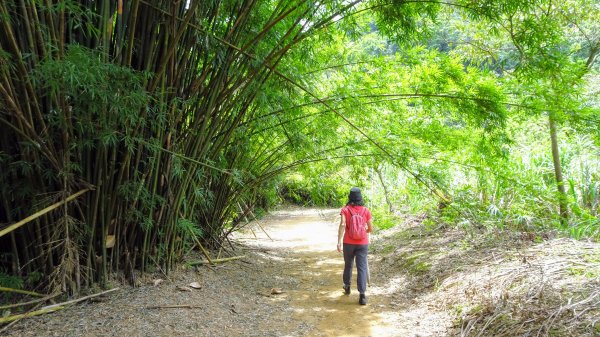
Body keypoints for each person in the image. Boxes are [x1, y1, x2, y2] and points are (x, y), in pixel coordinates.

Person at [336, 187, 373, 305]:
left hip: (348, 242)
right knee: (361, 267)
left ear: (350, 198)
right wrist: (364, 232)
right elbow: (370, 228)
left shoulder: (345, 210)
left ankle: (347, 286)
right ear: (360, 198)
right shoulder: (366, 210)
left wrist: (339, 241)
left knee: (348, 264)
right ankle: (362, 295)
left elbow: (342, 224)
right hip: (362, 243)